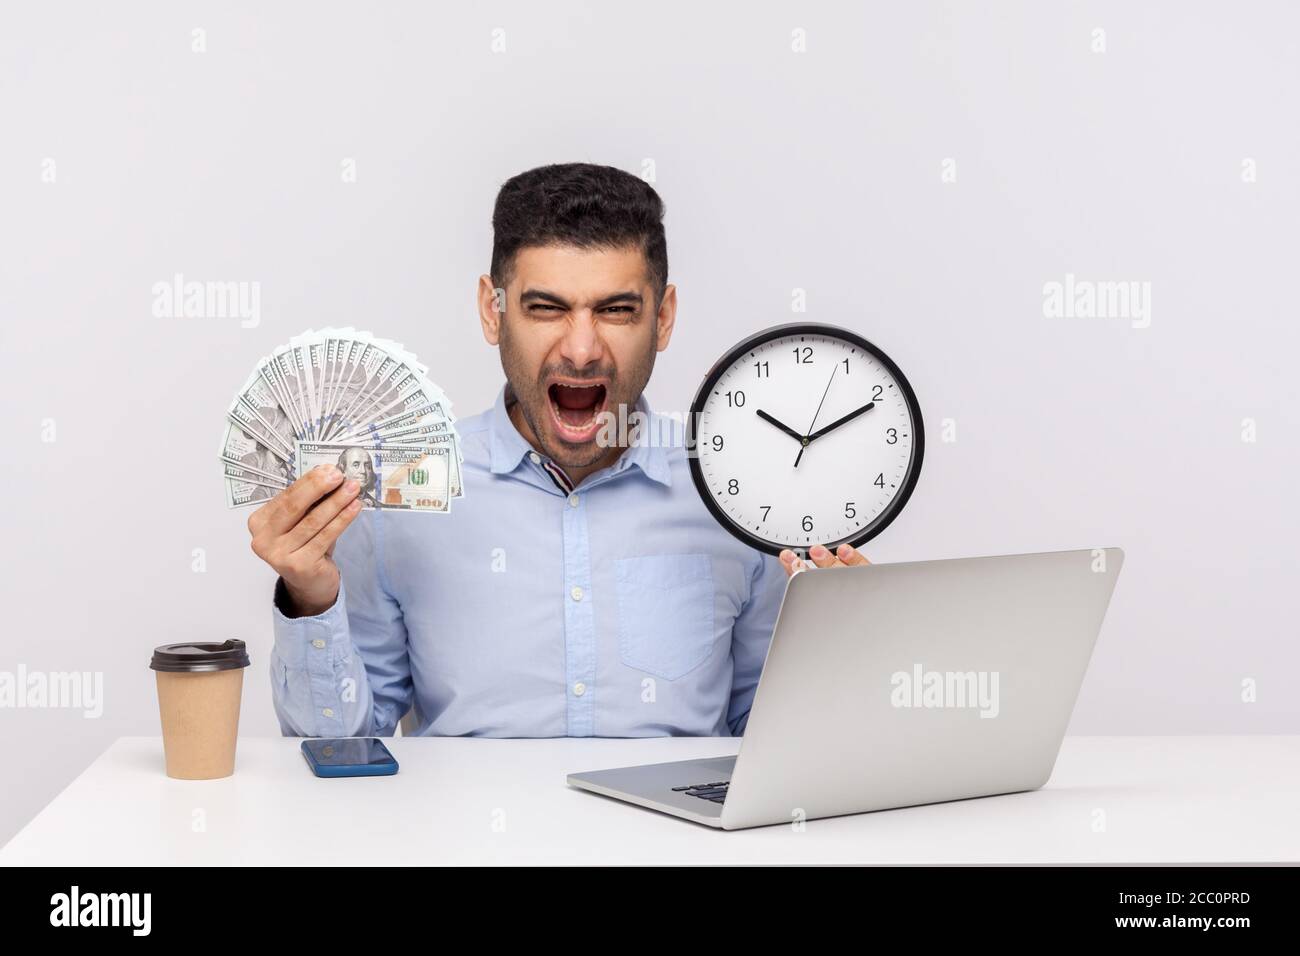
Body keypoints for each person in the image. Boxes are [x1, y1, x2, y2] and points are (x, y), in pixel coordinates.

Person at [246, 163, 868, 738]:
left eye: (617, 310)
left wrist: (842, 648)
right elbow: (340, 751)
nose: (580, 348)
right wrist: (309, 596)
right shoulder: (397, 495)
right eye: (545, 308)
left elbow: (771, 742)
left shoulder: (741, 497)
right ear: (494, 313)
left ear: (664, 317)